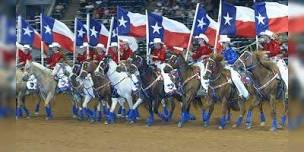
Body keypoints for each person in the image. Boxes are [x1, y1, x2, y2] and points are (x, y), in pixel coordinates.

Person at [220, 35, 249, 99]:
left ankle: (244, 93)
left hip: (232, 67)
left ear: (227, 43)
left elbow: (235, 59)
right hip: (224, 67)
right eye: (222, 43)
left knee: (235, 78)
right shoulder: (222, 52)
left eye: (223, 43)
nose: (222, 44)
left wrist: (226, 62)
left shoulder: (232, 50)